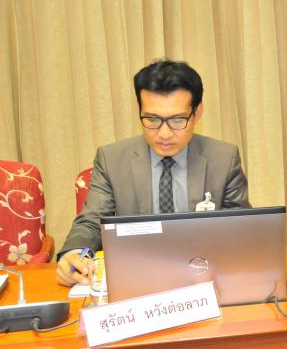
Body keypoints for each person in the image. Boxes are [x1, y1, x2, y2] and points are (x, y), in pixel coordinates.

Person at [56, 59, 251, 286]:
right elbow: (91, 222)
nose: (164, 134)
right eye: (152, 119)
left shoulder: (224, 158)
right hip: (137, 277)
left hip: (203, 277)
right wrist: (76, 254)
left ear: (197, 112)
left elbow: (241, 228)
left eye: (177, 120)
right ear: (139, 110)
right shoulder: (111, 159)